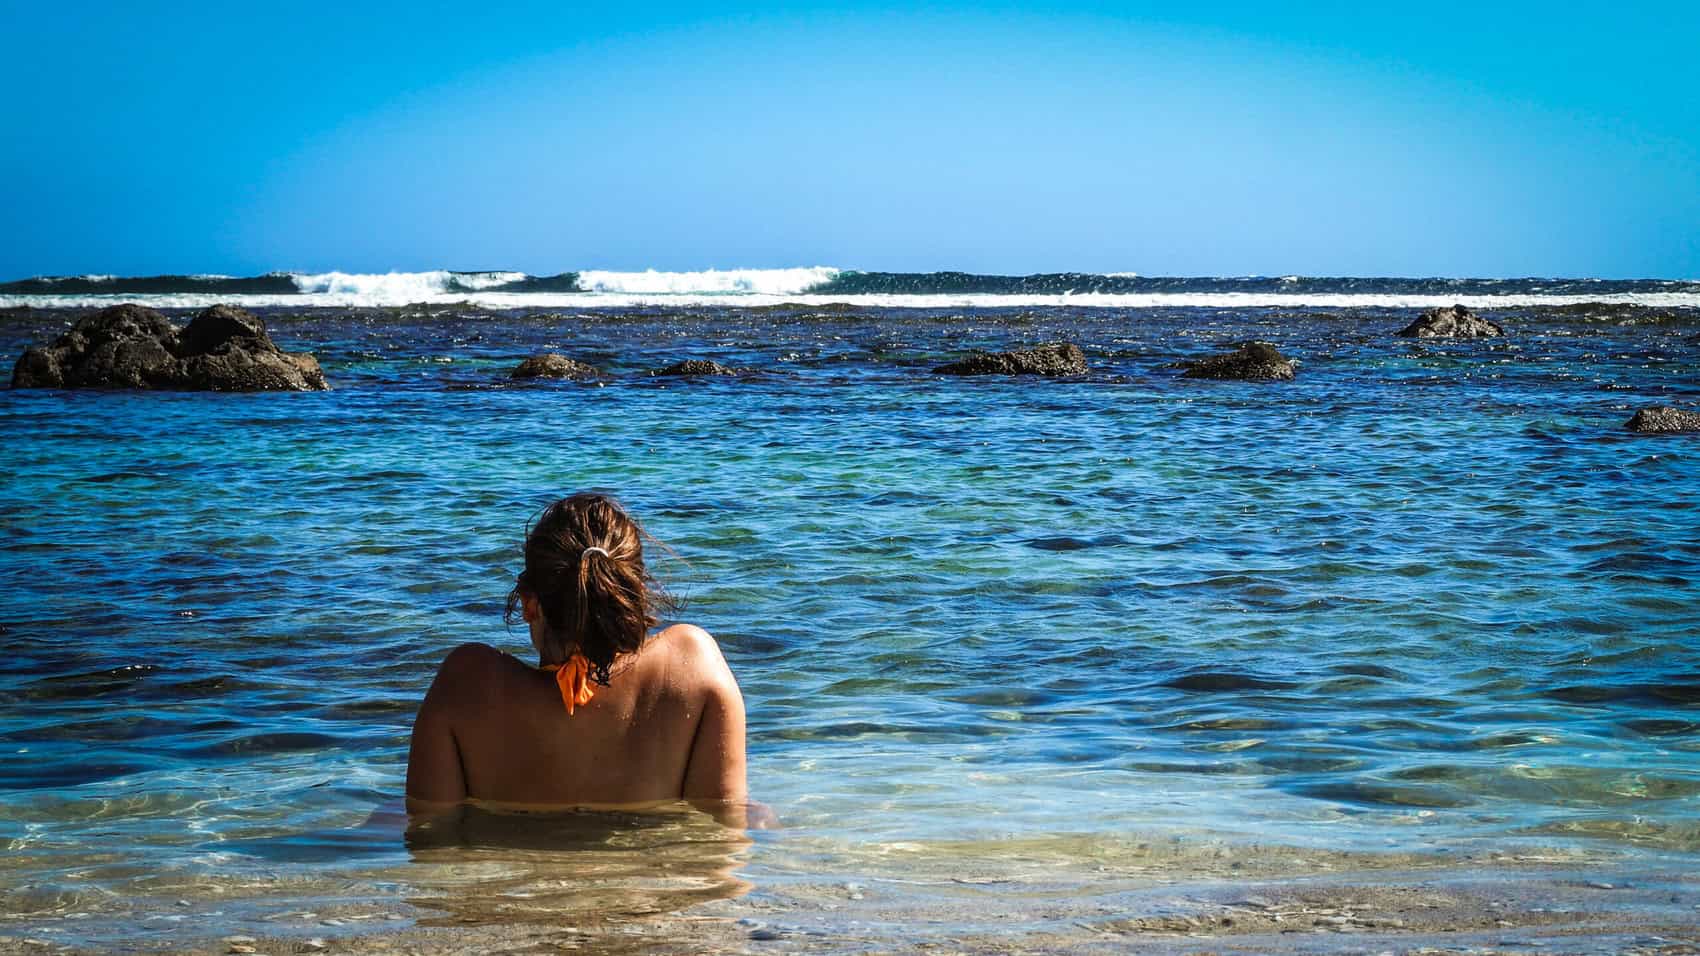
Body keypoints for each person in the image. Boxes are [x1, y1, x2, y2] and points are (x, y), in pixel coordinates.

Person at [406, 493, 750, 825]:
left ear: (529, 603)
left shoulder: (466, 685)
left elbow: (429, 834)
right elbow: (723, 832)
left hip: (517, 885)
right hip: (646, 883)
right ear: (635, 593)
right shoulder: (693, 669)